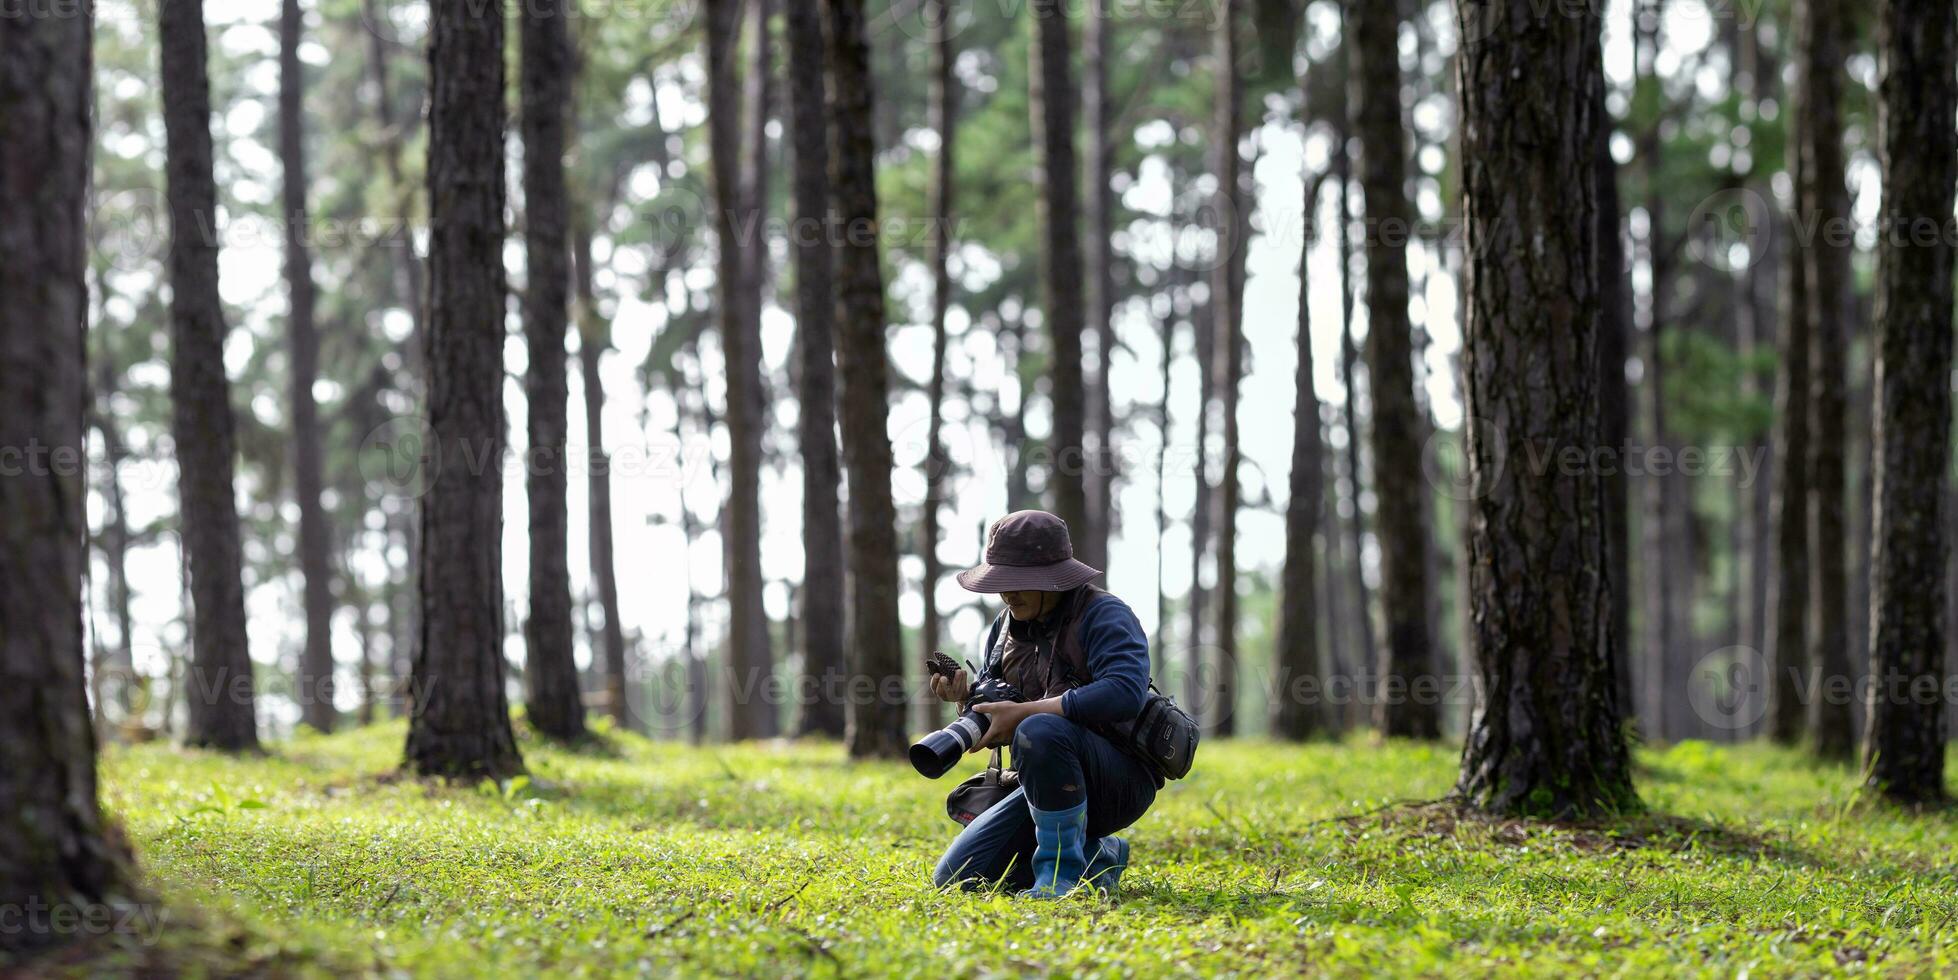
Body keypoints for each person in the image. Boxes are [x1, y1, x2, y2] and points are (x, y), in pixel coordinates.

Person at [929, 510, 1161, 898]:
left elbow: (1125, 691)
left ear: (1055, 579)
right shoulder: (1004, 628)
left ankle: (1059, 878)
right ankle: (1097, 854)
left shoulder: (1105, 614)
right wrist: (967, 701)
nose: (1007, 593)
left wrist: (1027, 714)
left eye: (1018, 581)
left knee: (1040, 728)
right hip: (1042, 780)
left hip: (1116, 780)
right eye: (1001, 581)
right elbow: (1002, 700)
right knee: (957, 878)